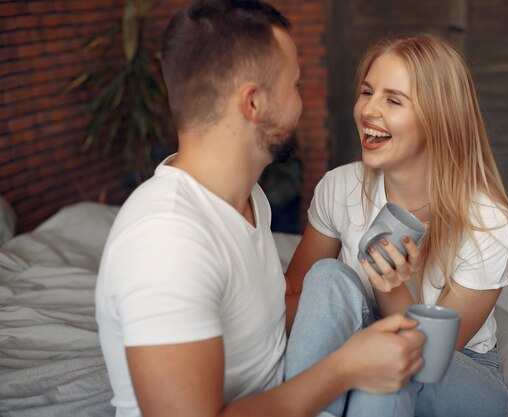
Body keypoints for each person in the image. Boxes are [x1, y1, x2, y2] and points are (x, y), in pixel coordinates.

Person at [94, 1, 425, 416]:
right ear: (253, 103)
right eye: (296, 86)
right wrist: (346, 368)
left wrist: (369, 309)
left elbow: (263, 325)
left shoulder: (248, 200)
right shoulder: (165, 241)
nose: (301, 103)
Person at [284, 33, 508, 417]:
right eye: (367, 92)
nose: (369, 110)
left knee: (385, 374)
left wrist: (393, 286)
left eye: (393, 100)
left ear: (439, 117)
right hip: (364, 342)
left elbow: (431, 357)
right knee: (327, 275)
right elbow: (297, 293)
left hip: (456, 371)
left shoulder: (487, 221)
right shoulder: (340, 186)